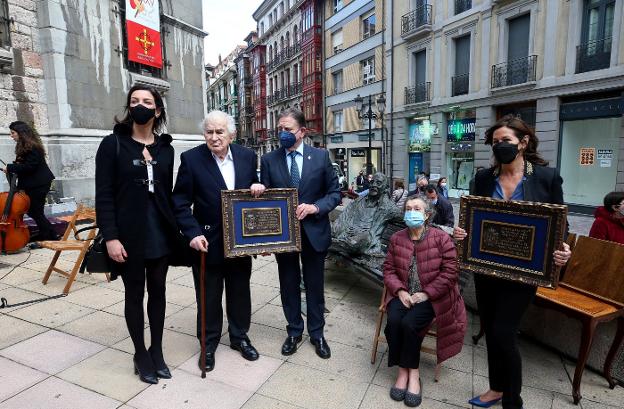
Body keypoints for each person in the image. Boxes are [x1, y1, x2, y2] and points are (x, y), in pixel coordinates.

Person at [453, 115, 571, 409]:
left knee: (505, 332)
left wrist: (563, 249)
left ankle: (512, 401)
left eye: (506, 140)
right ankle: (495, 388)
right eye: (495, 142)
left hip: (524, 273)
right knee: (492, 330)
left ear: (524, 142)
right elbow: (472, 219)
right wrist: (461, 233)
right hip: (486, 270)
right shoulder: (483, 178)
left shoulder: (546, 178)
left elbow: (560, 226)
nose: (500, 146)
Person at [95, 85, 179, 384]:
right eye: (134, 101)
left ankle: (157, 350)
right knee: (135, 293)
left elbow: (169, 194)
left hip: (161, 233)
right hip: (128, 235)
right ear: (129, 108)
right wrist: (112, 236)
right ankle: (140, 352)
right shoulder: (112, 145)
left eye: (147, 102)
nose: (140, 106)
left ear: (157, 110)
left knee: (159, 292)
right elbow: (103, 196)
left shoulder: (166, 149)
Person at [172, 110, 265, 372]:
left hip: (240, 244)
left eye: (219, 132)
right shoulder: (191, 159)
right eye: (209, 132)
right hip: (206, 243)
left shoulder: (247, 157)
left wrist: (258, 185)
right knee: (208, 298)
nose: (214, 137)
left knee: (239, 293)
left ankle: (239, 337)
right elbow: (179, 202)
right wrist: (192, 233)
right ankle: (208, 344)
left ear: (231, 134)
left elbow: (254, 188)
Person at [260, 108, 341, 359]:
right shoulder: (269, 160)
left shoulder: (321, 157)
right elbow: (267, 199)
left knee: (315, 287)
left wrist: (316, 207)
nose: (283, 133)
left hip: (314, 233)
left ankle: (317, 333)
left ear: (302, 131)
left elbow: (335, 194)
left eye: (288, 130)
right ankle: (294, 331)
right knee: (288, 285)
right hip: (283, 235)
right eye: (280, 129)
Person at [383, 195, 466, 407]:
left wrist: (426, 294)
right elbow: (389, 269)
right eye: (408, 208)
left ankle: (413, 373)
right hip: (403, 294)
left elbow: (450, 273)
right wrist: (400, 291)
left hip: (433, 297)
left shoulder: (441, 238)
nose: (412, 212)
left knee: (410, 325)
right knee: (393, 322)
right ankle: (403, 370)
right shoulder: (397, 238)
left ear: (427, 215)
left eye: (417, 208)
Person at [2, 121, 56, 241]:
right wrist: (14, 166)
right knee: (35, 211)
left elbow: (31, 166)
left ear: (21, 133)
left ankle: (50, 234)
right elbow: (25, 164)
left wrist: (11, 167)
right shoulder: (25, 145)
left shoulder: (31, 146)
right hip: (34, 183)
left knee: (35, 211)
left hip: (39, 183)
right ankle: (47, 233)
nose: (11, 135)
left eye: (13, 133)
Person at [332, 173, 401, 256]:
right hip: (347, 234)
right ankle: (335, 244)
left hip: (364, 240)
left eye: (378, 183)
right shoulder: (359, 200)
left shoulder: (388, 207)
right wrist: (338, 227)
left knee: (356, 241)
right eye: (372, 182)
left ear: (385, 188)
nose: (373, 185)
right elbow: (344, 216)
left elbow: (403, 217)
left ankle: (334, 244)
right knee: (328, 230)